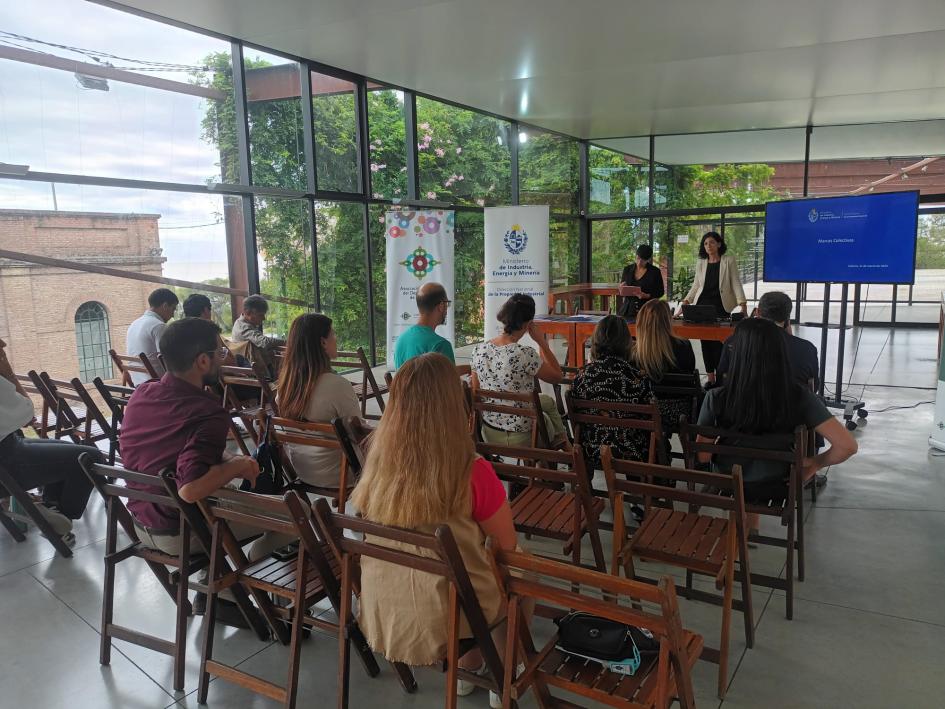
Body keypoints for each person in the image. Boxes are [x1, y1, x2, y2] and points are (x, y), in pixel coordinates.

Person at [351, 353, 520, 705]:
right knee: (519, 571)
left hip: (392, 609)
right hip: (457, 614)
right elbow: (506, 548)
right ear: (456, 410)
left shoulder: (376, 467)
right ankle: (503, 672)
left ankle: (468, 665)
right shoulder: (473, 470)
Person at [119, 317, 290, 626]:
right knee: (297, 513)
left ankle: (221, 593)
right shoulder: (208, 410)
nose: (223, 357)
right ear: (202, 361)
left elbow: (174, 452)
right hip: (181, 531)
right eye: (219, 351)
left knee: (226, 498)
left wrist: (224, 458)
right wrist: (238, 464)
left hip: (141, 522)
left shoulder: (143, 394)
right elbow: (190, 487)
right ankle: (242, 586)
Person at [696, 318, 857, 531]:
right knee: (752, 474)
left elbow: (703, 455)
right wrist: (815, 463)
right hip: (779, 485)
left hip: (728, 482)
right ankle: (747, 535)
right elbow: (847, 446)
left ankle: (739, 539)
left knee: (739, 474)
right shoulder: (801, 397)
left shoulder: (716, 398)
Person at [0, 337, 99, 546]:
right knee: (89, 457)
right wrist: (6, 371)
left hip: (11, 446)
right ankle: (63, 519)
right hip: (6, 459)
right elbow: (27, 415)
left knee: (71, 450)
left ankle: (51, 508)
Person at [471, 294, 569, 449]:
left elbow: (476, 392)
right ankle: (561, 454)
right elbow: (557, 377)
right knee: (545, 419)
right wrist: (542, 343)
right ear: (529, 324)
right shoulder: (524, 354)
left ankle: (563, 450)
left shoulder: (479, 349)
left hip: (489, 433)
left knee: (546, 403)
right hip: (526, 436)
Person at [276, 313, 360, 488]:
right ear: (323, 342)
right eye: (333, 334)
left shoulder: (284, 387)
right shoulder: (337, 385)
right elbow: (358, 435)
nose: (336, 339)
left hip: (304, 471)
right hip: (343, 473)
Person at [571, 315, 654, 466]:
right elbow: (650, 419)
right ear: (627, 342)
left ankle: (586, 487)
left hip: (591, 450)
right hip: (632, 453)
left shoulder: (581, 376)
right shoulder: (638, 378)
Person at [677, 232, 747, 381]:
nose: (708, 246)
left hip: (721, 307)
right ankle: (710, 379)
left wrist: (743, 305)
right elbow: (696, 286)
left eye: (712, 242)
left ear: (719, 244)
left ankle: (722, 377)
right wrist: (684, 304)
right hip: (702, 307)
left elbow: (735, 283)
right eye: (706, 243)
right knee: (706, 343)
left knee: (720, 342)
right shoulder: (701, 262)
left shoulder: (728, 261)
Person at [717, 291, 818, 389]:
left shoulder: (733, 342)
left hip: (741, 404)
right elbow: (813, 386)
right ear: (787, 317)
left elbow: (721, 381)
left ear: (758, 312)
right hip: (791, 405)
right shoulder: (806, 348)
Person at [634, 299, 698, 436]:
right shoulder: (684, 346)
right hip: (680, 412)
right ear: (667, 320)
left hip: (647, 411)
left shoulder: (635, 353)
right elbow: (689, 378)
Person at [393, 282, 455, 368]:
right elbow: (450, 380)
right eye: (446, 304)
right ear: (441, 306)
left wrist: (470, 367)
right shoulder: (440, 345)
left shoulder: (401, 339)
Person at [126, 287, 179, 385]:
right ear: (165, 306)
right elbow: (167, 359)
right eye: (173, 309)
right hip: (157, 384)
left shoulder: (134, 324)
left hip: (138, 384)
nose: (173, 315)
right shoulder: (159, 326)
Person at [231, 295, 285, 373]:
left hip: (259, 368)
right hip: (257, 373)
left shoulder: (241, 323)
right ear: (248, 312)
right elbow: (265, 342)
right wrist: (287, 342)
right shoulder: (243, 327)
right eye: (260, 315)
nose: (264, 318)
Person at [182, 293, 237, 366]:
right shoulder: (209, 330)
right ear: (205, 310)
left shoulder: (179, 331)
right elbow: (232, 361)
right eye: (210, 310)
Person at [617, 244, 665, 320]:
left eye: (643, 260)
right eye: (638, 258)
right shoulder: (627, 270)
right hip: (627, 310)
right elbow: (622, 292)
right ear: (636, 256)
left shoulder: (655, 272)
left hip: (647, 310)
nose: (639, 262)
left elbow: (660, 292)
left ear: (648, 260)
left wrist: (646, 295)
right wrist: (621, 288)